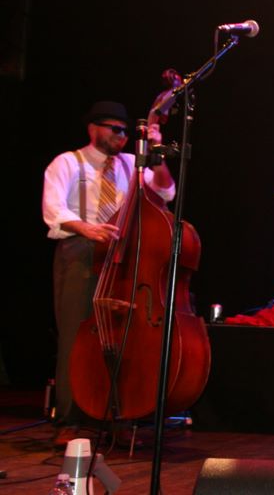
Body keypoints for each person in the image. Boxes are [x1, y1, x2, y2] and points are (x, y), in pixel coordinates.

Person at [42, 101, 175, 446]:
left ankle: (116, 415)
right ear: (93, 129)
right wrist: (87, 228)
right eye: (114, 129)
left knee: (121, 337)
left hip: (121, 254)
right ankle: (69, 421)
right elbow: (53, 210)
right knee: (75, 336)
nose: (121, 136)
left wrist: (157, 153)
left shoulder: (133, 164)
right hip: (81, 250)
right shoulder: (67, 162)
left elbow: (166, 191)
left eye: (125, 131)